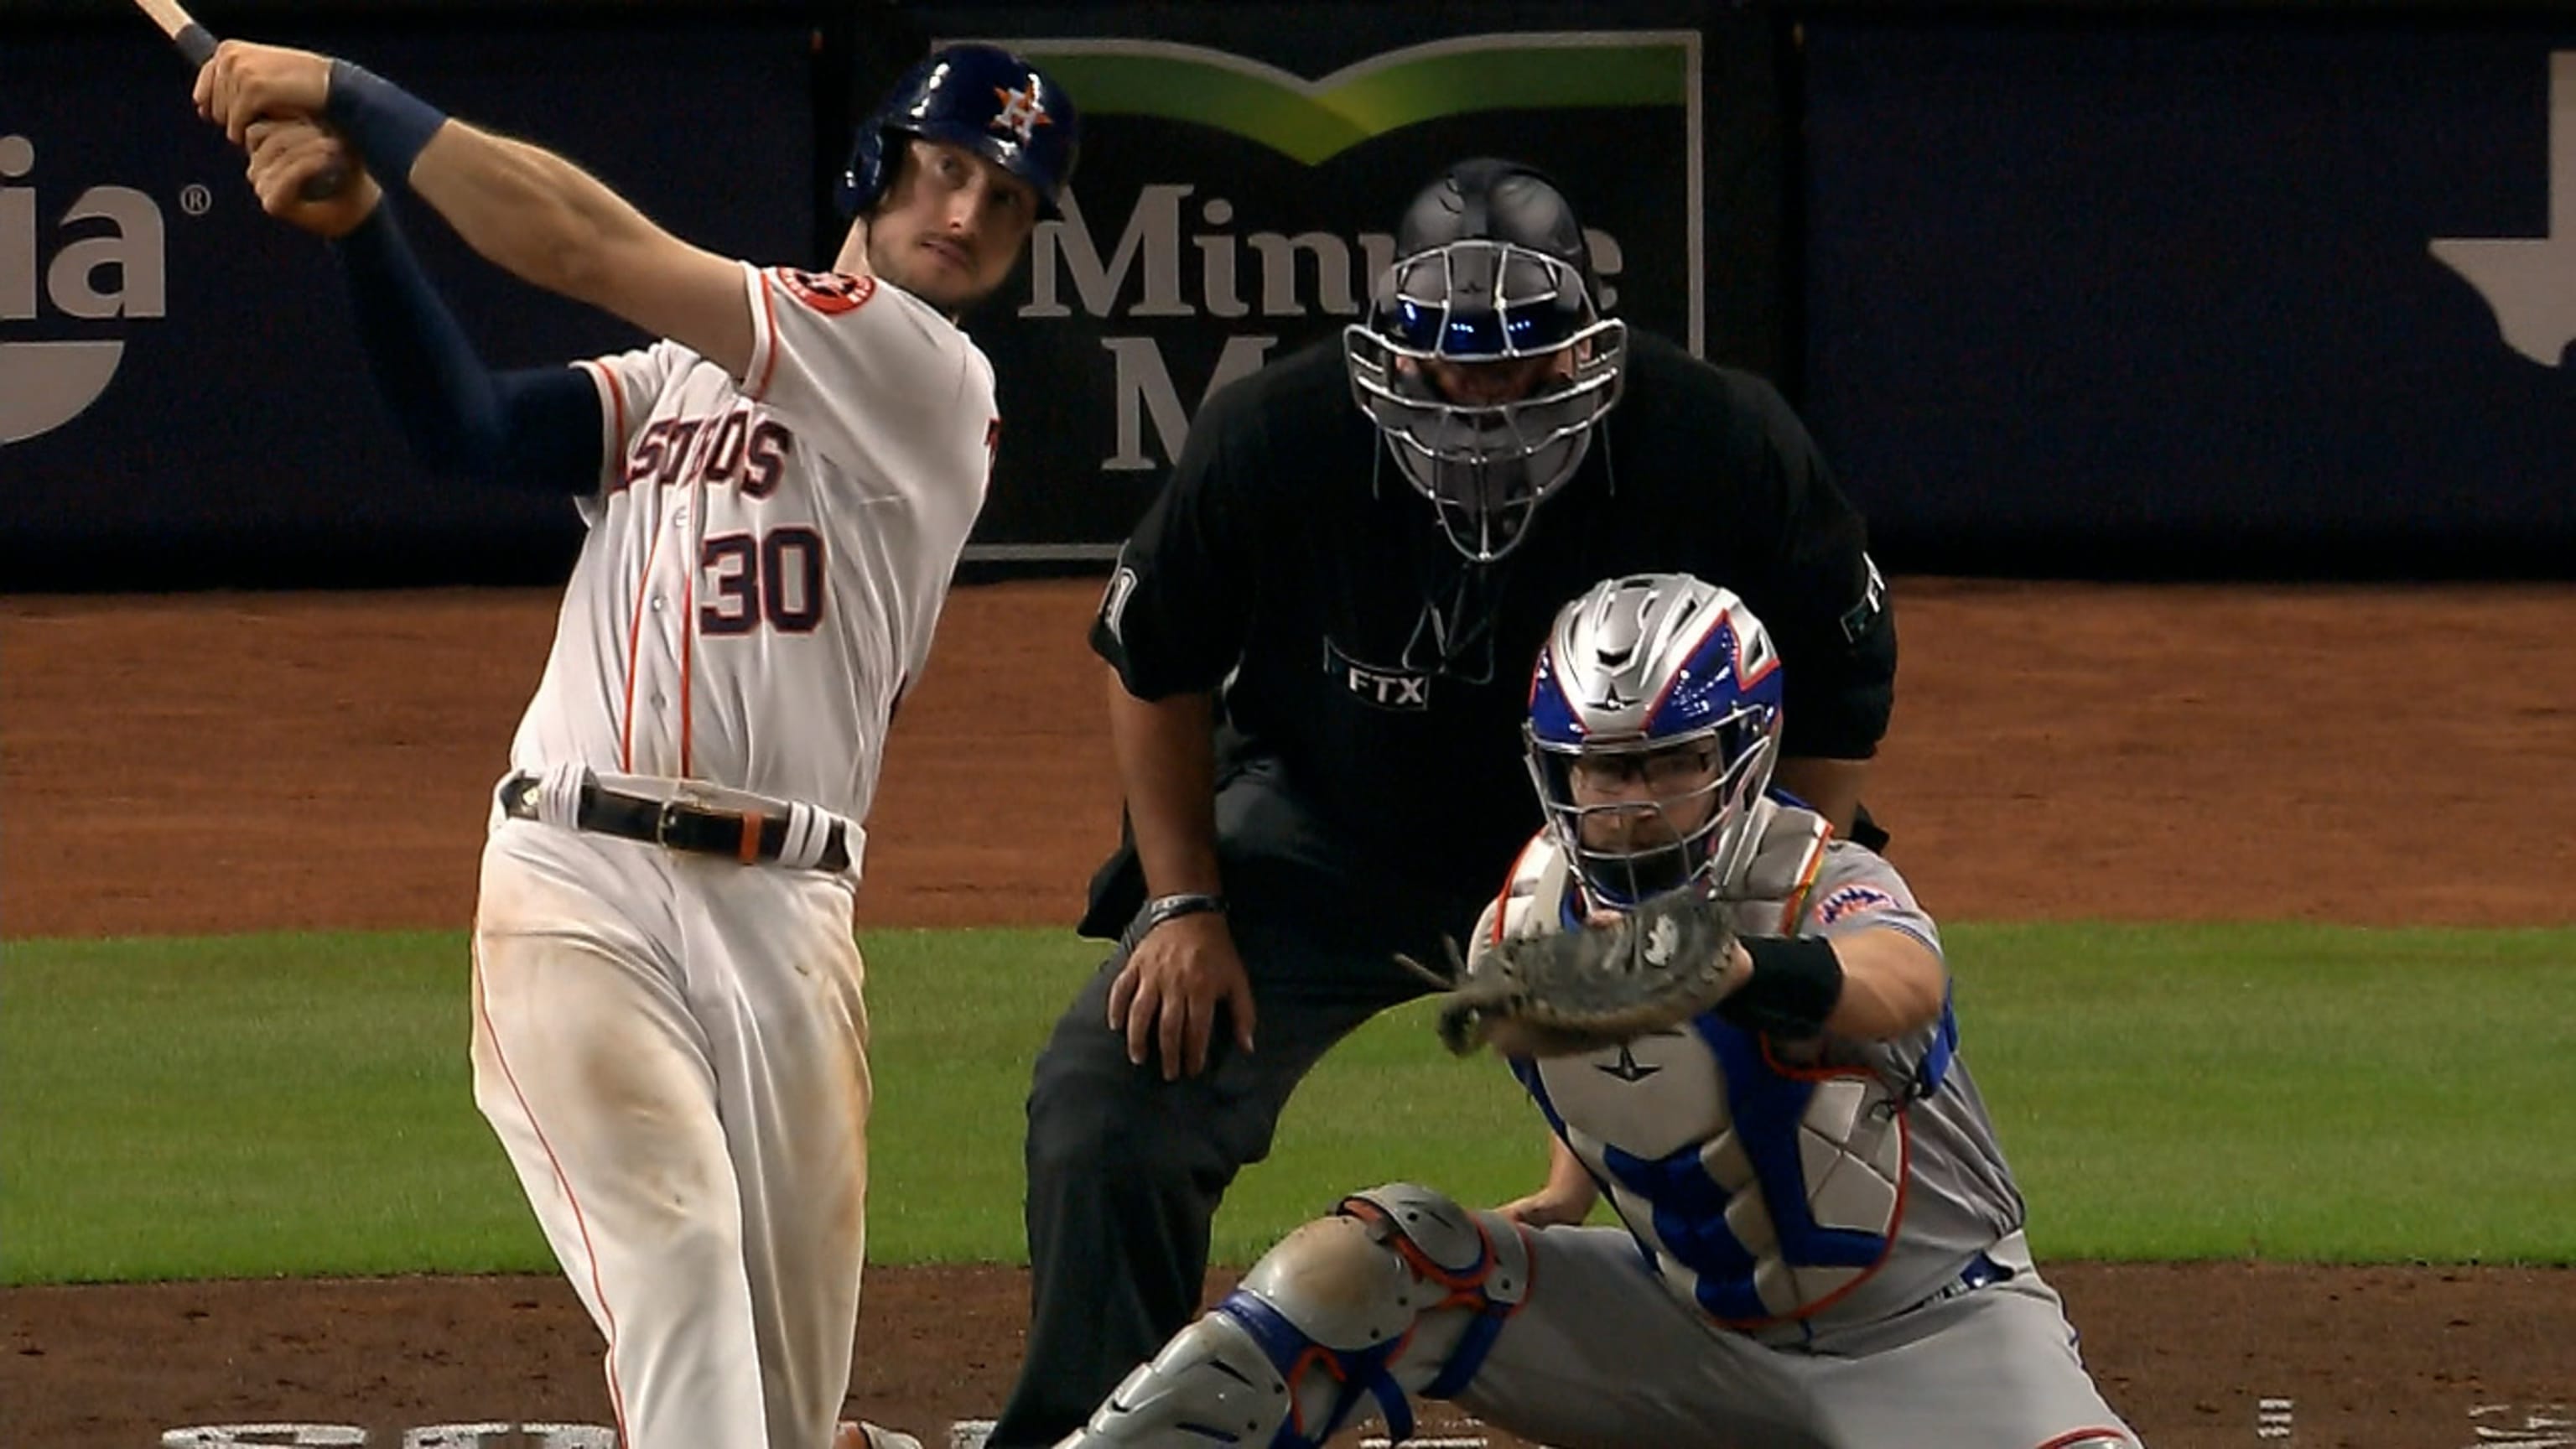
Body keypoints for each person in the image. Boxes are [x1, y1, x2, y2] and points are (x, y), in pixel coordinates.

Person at [194, 39, 1079, 1449]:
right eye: (947, 169)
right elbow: (470, 427)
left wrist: (349, 94)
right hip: (574, 882)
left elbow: (581, 244)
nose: (968, 214)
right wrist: (365, 234)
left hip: (792, 924)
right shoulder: (676, 382)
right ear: (877, 165)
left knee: (784, 1415)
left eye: (1009, 200)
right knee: (677, 1285)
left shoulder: (929, 380)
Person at [989, 158, 1899, 1447]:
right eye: (1452, 368)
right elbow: (1155, 660)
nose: (1485, 400)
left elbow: (1844, 676)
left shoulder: (1716, 437)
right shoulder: (1280, 430)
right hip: (1323, 833)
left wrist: (1747, 906)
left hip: (1628, 852)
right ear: (1389, 354)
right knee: (1114, 1085)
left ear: (1593, 343)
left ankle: (1810, 1401)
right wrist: (1184, 900)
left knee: (1783, 1085)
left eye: (1524, 369)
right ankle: (1090, 1434)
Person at [1050, 571, 2141, 1449]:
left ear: (1742, 756)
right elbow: (1617, 1075)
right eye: (1601, 771)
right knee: (1378, 1266)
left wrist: (1744, 973)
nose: (1630, 805)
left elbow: (1904, 978)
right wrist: (1568, 1189)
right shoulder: (1526, 922)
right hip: (1700, 1345)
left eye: (1669, 764)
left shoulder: (1818, 877)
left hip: (1942, 1340)